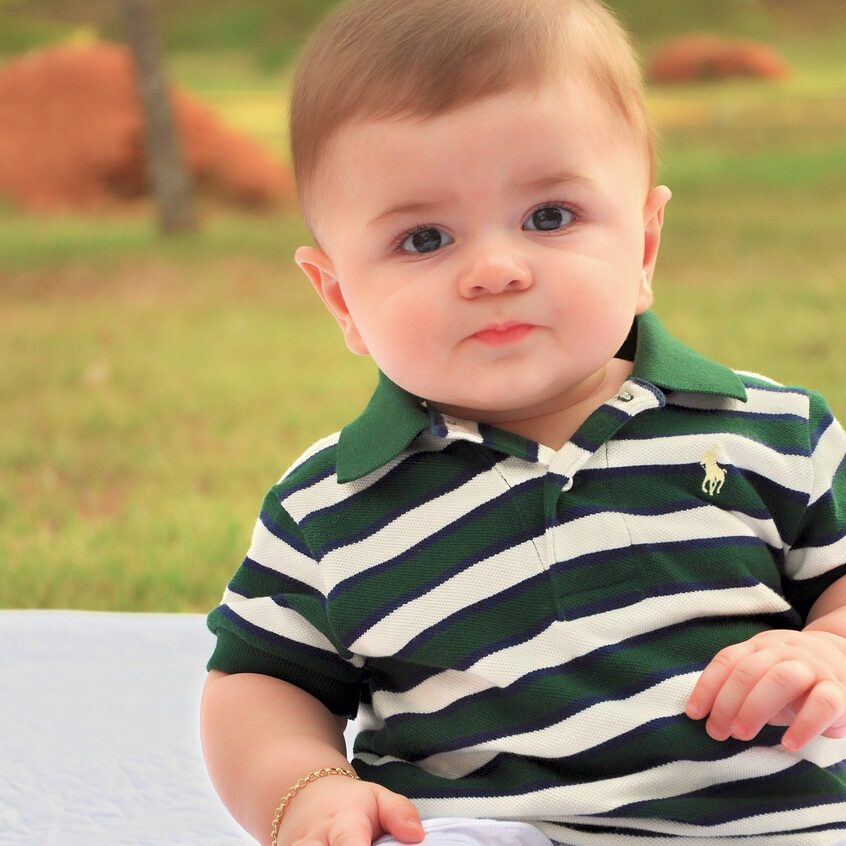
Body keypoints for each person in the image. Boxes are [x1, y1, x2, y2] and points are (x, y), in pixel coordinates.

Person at [199, 0, 846, 844]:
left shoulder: (771, 432)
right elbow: (259, 684)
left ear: (644, 247)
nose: (496, 270)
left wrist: (828, 648)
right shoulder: (329, 508)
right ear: (341, 299)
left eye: (550, 217)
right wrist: (305, 788)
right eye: (424, 238)